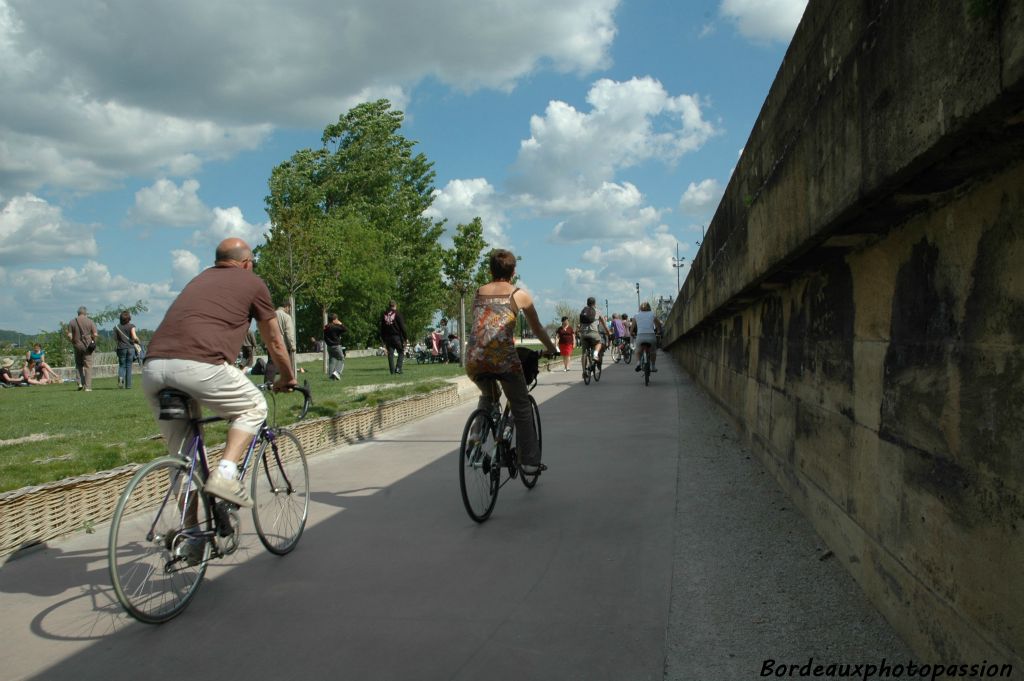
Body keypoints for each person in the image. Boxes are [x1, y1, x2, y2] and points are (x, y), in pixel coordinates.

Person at [142, 237, 296, 508]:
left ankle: (188, 536)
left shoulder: (199, 279)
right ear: (247, 263)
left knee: (183, 455)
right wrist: (288, 376)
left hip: (154, 368)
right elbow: (274, 341)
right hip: (198, 366)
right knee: (253, 407)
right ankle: (225, 474)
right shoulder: (253, 283)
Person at [465, 249, 558, 474]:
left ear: (490, 270)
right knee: (521, 406)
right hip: (504, 360)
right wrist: (551, 349)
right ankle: (529, 461)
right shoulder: (519, 295)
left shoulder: (479, 292)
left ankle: (474, 442)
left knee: (489, 396)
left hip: (474, 359)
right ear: (513, 271)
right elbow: (537, 328)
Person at [67, 306, 98, 391]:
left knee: (78, 365)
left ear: (78, 313)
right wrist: (93, 342)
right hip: (88, 346)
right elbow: (95, 334)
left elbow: (69, 335)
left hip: (77, 346)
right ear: (86, 313)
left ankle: (80, 383)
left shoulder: (72, 322)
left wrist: (73, 342)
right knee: (88, 366)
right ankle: (87, 387)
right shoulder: (90, 321)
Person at [576, 296, 610, 368]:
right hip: (594, 333)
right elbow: (605, 325)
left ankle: (584, 371)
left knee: (584, 353)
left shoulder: (583, 311)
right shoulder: (598, 311)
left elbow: (581, 324)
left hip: (584, 334)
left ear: (587, 303)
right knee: (599, 342)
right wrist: (609, 333)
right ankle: (595, 354)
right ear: (595, 303)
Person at [631, 301, 664, 372]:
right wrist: (658, 331)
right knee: (653, 351)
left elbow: (632, 327)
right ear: (649, 307)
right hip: (651, 336)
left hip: (640, 336)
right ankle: (653, 366)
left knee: (638, 350)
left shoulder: (636, 315)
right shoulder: (652, 314)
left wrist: (631, 333)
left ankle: (638, 363)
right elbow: (658, 325)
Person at [379, 300, 408, 374]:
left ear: (389, 306)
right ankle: (398, 368)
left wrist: (383, 339)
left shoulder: (384, 314)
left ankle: (392, 371)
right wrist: (405, 338)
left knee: (390, 354)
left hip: (388, 337)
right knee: (401, 352)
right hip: (396, 337)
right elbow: (402, 327)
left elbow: (382, 328)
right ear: (395, 305)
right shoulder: (397, 314)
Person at [114, 310, 141, 389]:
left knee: (122, 365)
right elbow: (134, 337)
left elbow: (115, 339)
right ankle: (128, 385)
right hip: (130, 348)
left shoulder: (116, 327)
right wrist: (138, 342)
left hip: (121, 348)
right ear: (129, 318)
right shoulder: (131, 326)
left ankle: (121, 377)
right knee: (129, 366)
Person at [323, 313, 347, 380]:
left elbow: (325, 337)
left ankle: (331, 376)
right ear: (334, 320)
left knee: (331, 360)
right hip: (336, 346)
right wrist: (340, 323)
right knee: (341, 358)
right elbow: (345, 329)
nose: (338, 320)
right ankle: (337, 372)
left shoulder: (326, 327)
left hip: (329, 346)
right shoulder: (335, 327)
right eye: (337, 319)